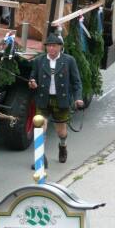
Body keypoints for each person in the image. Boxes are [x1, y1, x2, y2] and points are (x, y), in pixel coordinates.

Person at [28, 33, 83, 164]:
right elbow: (32, 77)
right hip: (43, 99)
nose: (51, 49)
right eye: (49, 46)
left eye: (54, 46)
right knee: (40, 128)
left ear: (60, 47)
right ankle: (40, 158)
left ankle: (63, 146)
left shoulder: (69, 61)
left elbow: (76, 82)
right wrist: (32, 82)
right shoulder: (39, 61)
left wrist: (78, 98)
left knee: (61, 132)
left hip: (61, 100)